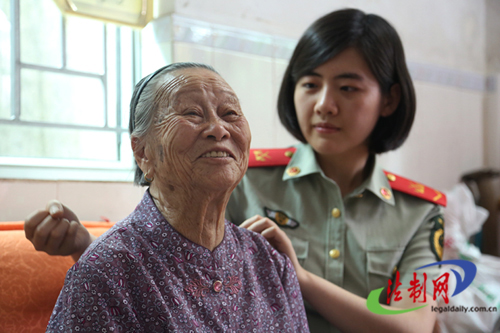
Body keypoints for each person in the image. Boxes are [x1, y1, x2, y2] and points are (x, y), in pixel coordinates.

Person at [25, 9, 445, 333]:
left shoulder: (420, 211)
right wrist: (89, 250)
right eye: (310, 84)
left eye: (348, 87)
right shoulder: (239, 173)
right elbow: (171, 243)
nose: (323, 105)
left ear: (388, 100)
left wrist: (297, 278)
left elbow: (413, 324)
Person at [25, 62, 309, 332]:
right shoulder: (104, 273)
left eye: (230, 113)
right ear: (142, 152)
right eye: (192, 114)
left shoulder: (270, 262)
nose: (219, 129)